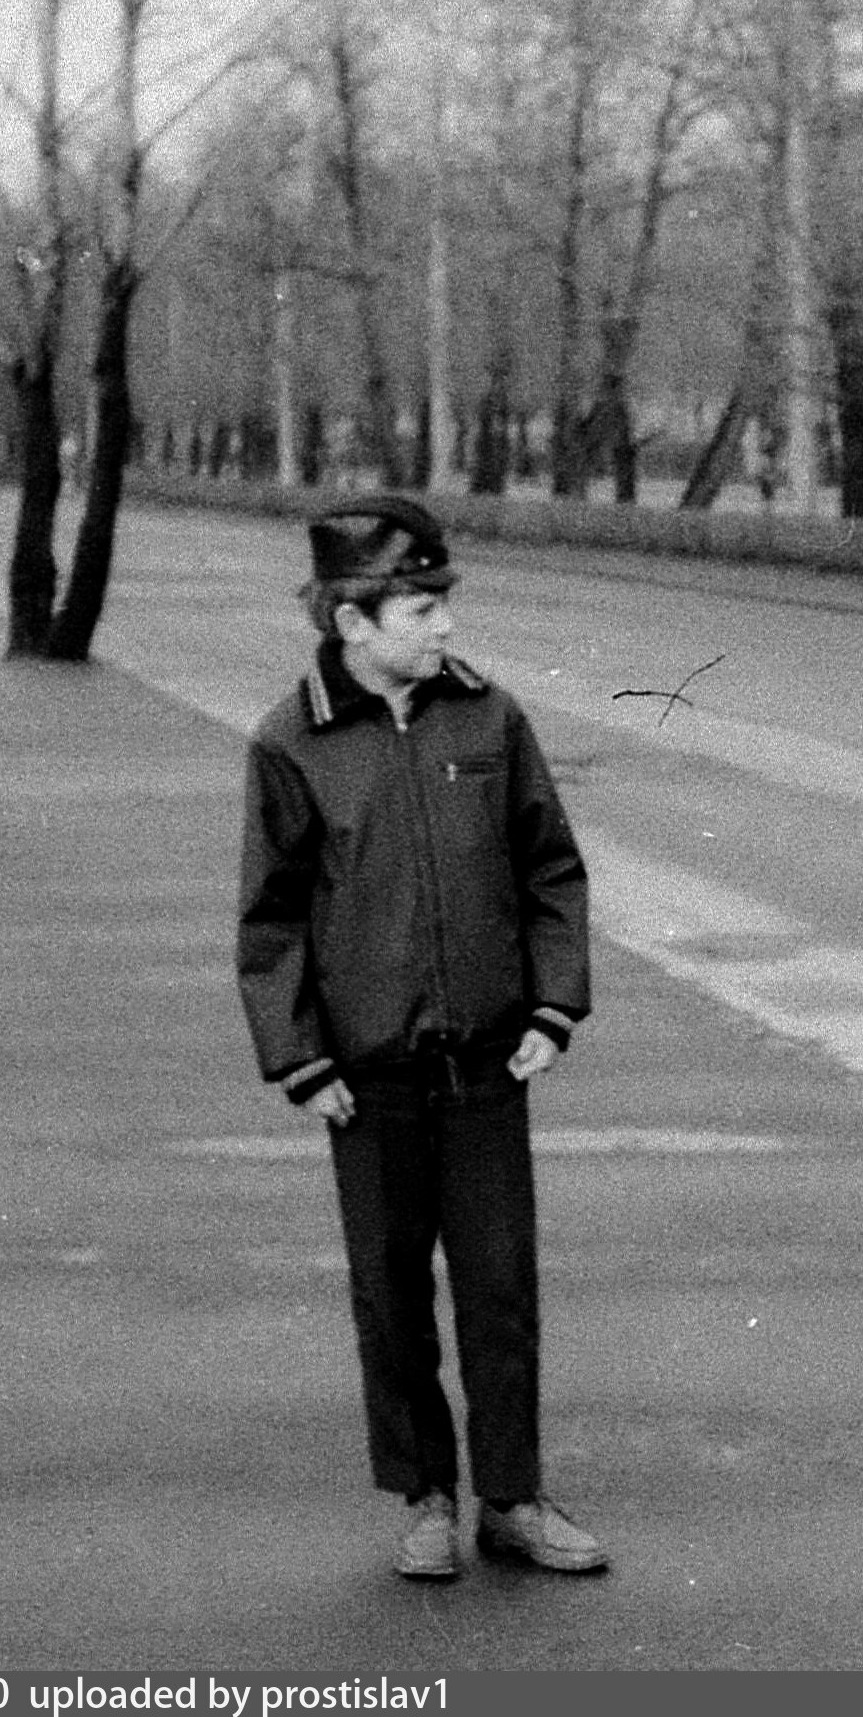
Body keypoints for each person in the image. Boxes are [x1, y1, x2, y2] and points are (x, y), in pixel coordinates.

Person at [235, 493, 605, 1584]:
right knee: (390, 1295)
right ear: (353, 622)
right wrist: (300, 1059)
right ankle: (426, 1497)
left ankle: (513, 1499)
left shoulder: (490, 720)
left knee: (501, 1287)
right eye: (421, 608)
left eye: (445, 602)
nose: (446, 624)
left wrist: (553, 1007)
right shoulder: (291, 743)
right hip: (367, 1078)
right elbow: (269, 921)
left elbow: (551, 871)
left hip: (487, 1062)